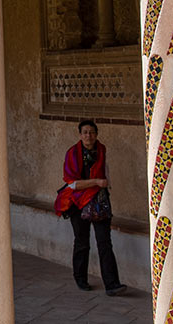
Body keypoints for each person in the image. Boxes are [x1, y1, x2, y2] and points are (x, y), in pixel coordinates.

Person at [53, 120, 126, 296]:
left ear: (96, 134)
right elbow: (72, 184)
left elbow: (105, 174)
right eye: (85, 132)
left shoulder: (101, 150)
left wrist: (103, 187)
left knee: (104, 243)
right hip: (77, 203)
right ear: (80, 135)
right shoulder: (72, 153)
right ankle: (80, 278)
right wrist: (95, 182)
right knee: (82, 242)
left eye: (92, 132)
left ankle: (112, 284)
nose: (88, 136)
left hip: (99, 202)